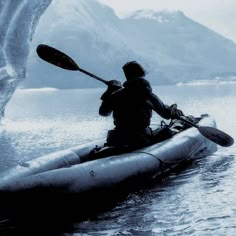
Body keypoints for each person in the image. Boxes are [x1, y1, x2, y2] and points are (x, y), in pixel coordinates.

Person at [99, 61, 184, 148]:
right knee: (167, 132)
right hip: (138, 138)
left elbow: (103, 112)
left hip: (117, 137)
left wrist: (109, 91)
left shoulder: (116, 95)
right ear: (141, 75)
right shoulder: (146, 94)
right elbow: (166, 115)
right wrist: (174, 110)